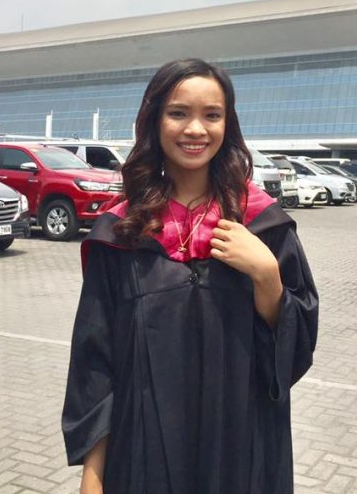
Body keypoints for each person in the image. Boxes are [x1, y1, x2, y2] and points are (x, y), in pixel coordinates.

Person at [62, 59, 319, 494]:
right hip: (143, 450)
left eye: (211, 115)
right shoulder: (121, 233)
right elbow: (95, 359)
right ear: (154, 120)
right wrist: (93, 472)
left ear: (227, 124)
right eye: (179, 113)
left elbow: (295, 350)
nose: (195, 129)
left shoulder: (261, 225)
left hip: (241, 446)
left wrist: (268, 278)